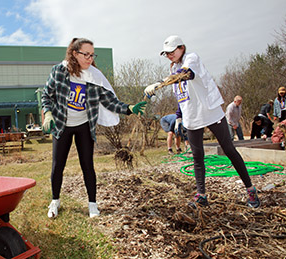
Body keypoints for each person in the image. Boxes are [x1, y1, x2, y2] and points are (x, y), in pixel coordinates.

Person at [144, 35, 260, 208]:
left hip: (209, 111)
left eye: (171, 51)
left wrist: (160, 84)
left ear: (181, 48)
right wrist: (179, 116)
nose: (168, 55)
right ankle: (201, 195)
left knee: (229, 149)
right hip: (192, 116)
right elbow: (181, 95)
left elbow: (185, 75)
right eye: (166, 53)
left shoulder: (191, 58)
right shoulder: (173, 68)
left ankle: (250, 189)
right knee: (197, 156)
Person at [42, 38, 147, 218]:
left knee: (88, 166)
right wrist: (48, 113)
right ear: (75, 54)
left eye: (92, 55)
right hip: (62, 125)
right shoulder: (59, 71)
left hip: (84, 125)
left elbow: (109, 100)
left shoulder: (94, 76)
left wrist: (128, 108)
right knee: (58, 165)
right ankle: (55, 201)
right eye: (86, 54)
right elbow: (47, 95)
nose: (90, 58)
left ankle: (92, 204)